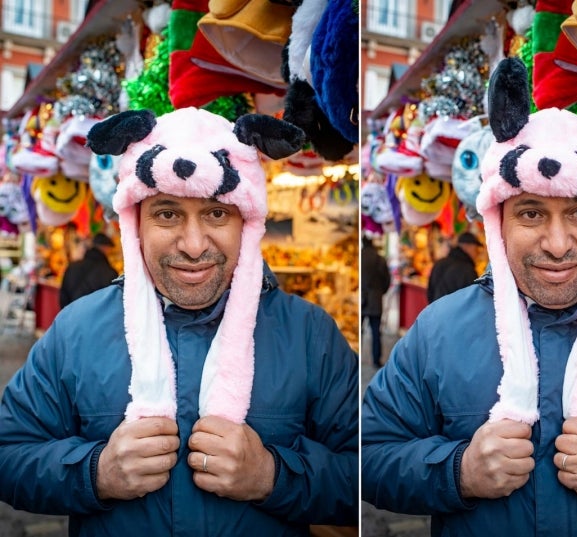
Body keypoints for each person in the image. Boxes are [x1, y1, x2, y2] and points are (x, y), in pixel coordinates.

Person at [362, 58, 577, 535]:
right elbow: (367, 456)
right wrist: (458, 471)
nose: (556, 243)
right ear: (499, 222)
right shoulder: (437, 329)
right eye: (531, 214)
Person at [0, 108, 359, 535]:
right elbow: (10, 456)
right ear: (135, 223)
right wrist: (96, 472)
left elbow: (368, 473)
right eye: (167, 214)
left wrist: (273, 476)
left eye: (216, 213)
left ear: (247, 222)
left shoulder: (309, 335)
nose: (193, 246)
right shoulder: (75, 331)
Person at [59, 232, 119, 308]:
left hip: (71, 315)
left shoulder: (72, 266)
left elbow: (63, 296)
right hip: (94, 318)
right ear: (105, 248)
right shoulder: (109, 272)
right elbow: (111, 304)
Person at [361, 235, 391, 367]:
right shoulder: (380, 259)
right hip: (375, 299)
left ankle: (357, 357)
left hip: (362, 298)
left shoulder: (360, 257)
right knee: (375, 331)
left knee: (359, 331)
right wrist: (380, 292)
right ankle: (376, 359)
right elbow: (387, 279)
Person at [426, 231, 481, 303]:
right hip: (455, 313)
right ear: (467, 247)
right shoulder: (467, 269)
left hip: (436, 311)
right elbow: (473, 300)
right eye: (476, 249)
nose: (477, 253)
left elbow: (430, 292)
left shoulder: (439, 263)